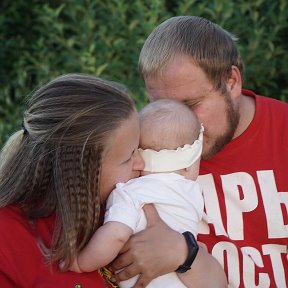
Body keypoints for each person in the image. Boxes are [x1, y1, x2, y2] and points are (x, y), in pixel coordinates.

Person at [110, 16, 288, 288]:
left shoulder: (282, 132)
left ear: (231, 82)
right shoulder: (141, 147)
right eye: (163, 105)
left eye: (191, 103)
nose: (178, 119)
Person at [0, 73, 145, 287]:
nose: (141, 163)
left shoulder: (120, 209)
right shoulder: (8, 241)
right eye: (127, 158)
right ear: (80, 171)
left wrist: (184, 253)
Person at [65, 99, 227, 287]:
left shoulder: (131, 193)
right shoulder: (193, 194)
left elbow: (116, 235)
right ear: (189, 165)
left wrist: (80, 263)